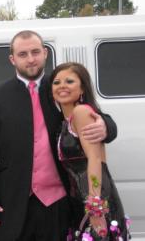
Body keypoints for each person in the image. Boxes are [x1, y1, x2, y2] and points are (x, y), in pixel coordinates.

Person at [0, 30, 118, 241]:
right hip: (12, 202)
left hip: (59, 202)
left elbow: (93, 112)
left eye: (35, 52)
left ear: (45, 53)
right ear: (12, 59)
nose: (31, 59)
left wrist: (106, 126)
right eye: (23, 54)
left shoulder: (61, 87)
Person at [50, 62, 130, 240]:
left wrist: (95, 207)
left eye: (69, 81)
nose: (62, 85)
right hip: (79, 202)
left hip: (96, 202)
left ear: (82, 89)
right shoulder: (64, 121)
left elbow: (94, 159)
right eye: (56, 82)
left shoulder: (81, 112)